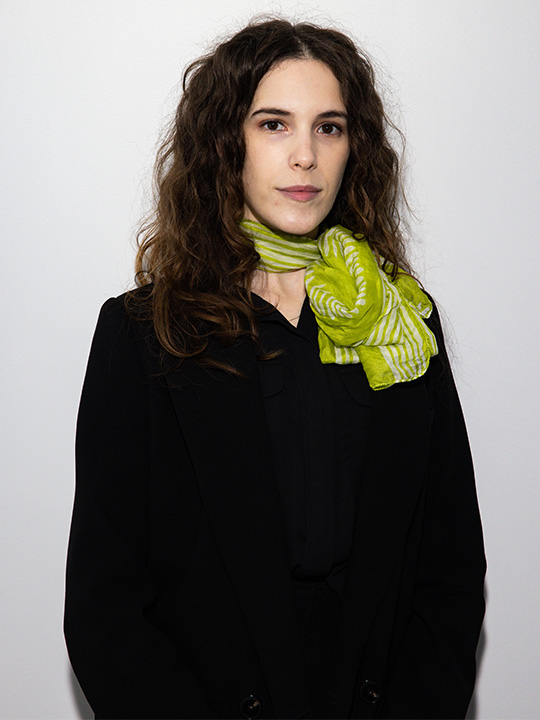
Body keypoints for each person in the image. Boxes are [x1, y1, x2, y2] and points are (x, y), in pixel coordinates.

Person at [64, 18, 486, 720]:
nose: (305, 156)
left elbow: (450, 568)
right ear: (225, 143)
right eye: (273, 124)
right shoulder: (144, 333)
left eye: (329, 128)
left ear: (354, 147)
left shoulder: (402, 318)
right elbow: (105, 609)